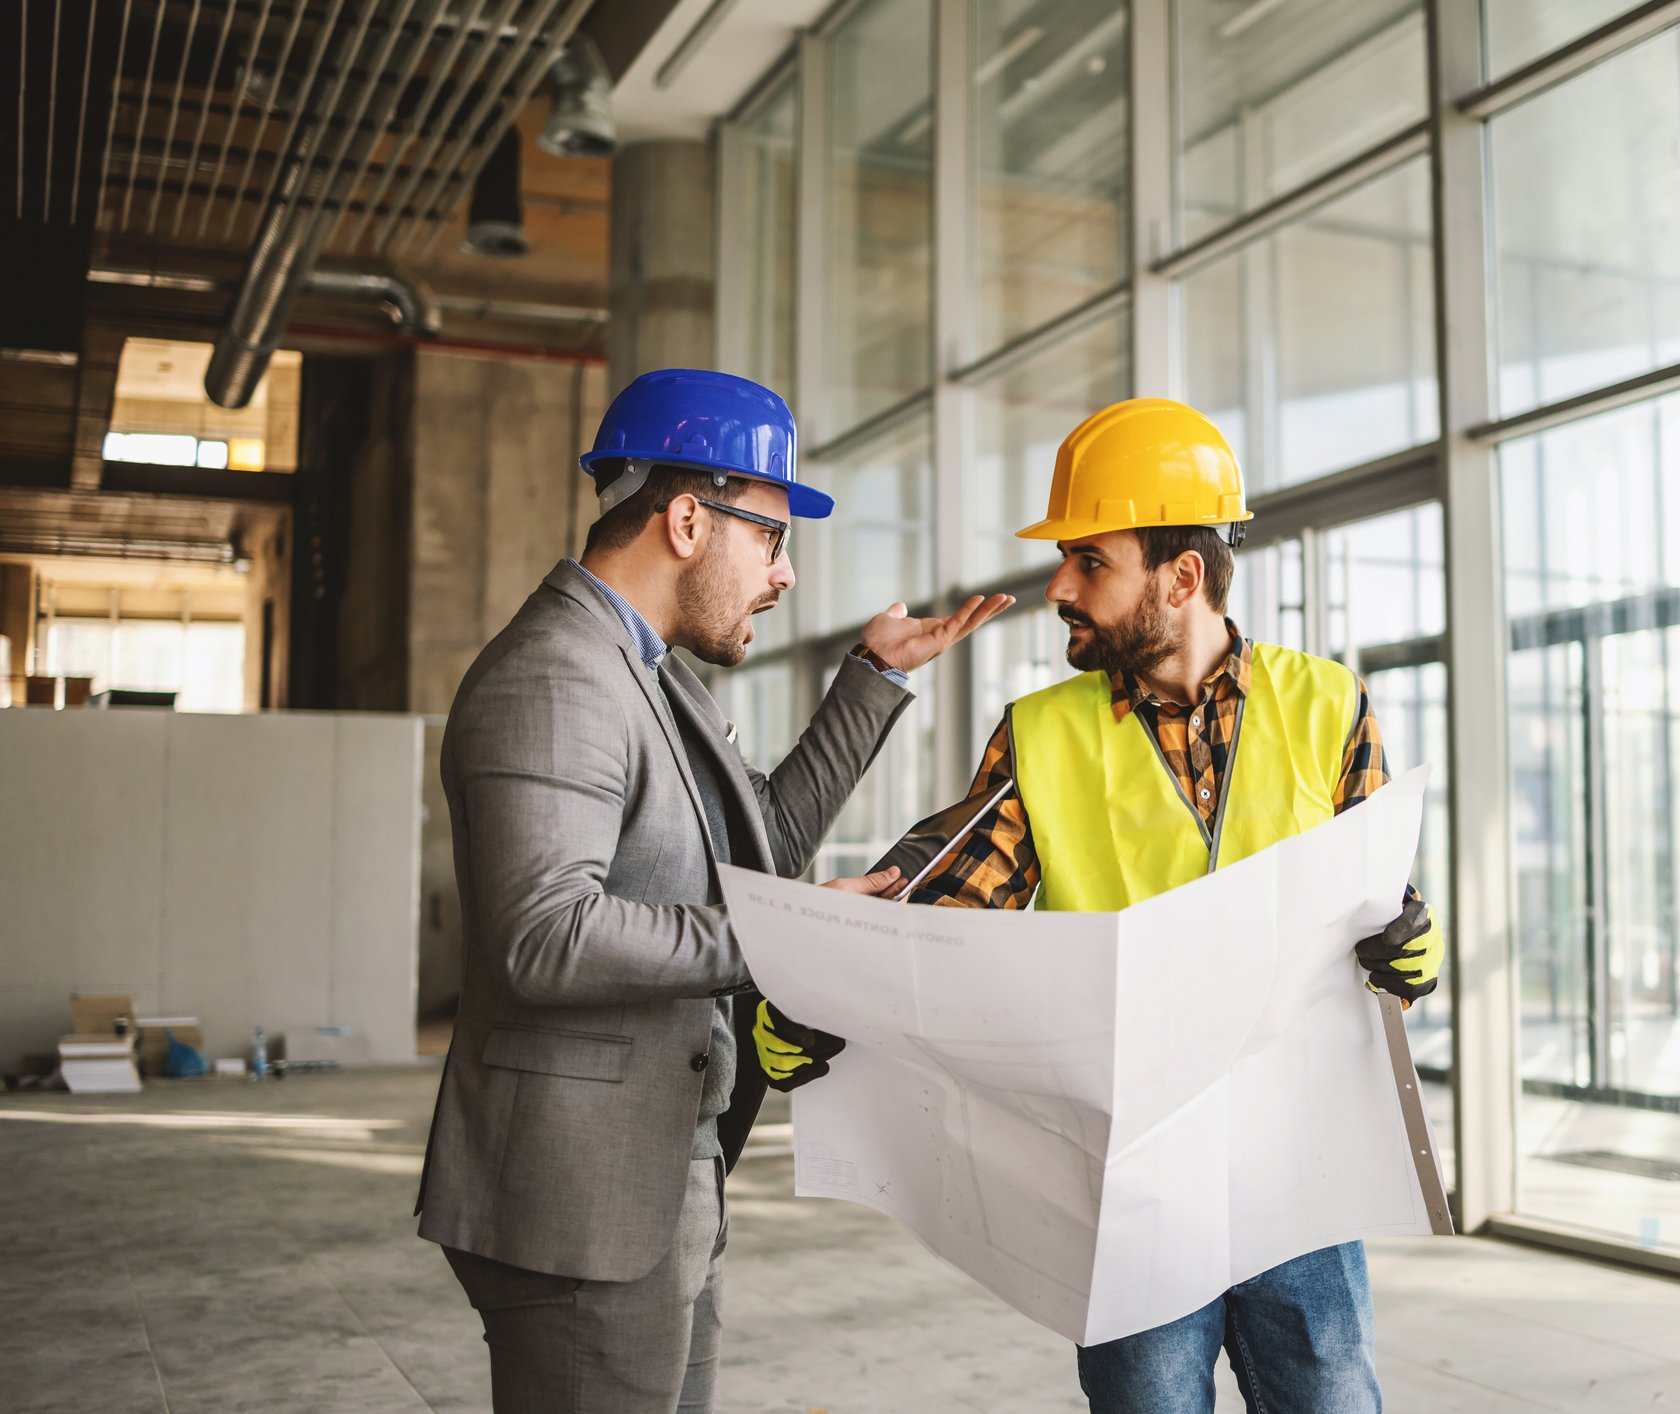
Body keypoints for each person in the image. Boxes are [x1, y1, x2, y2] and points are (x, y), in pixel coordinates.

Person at [753, 397, 1443, 1414]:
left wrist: (1412, 943)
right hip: (1134, 1189)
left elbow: (1379, 895)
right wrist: (822, 987)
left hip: (1300, 1175)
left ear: (1183, 575)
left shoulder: (1328, 703)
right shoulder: (1041, 734)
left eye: (1090, 562)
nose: (1060, 588)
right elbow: (946, 905)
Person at [416, 368, 1010, 1414]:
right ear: (689, 519)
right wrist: (793, 932)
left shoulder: (645, 674)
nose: (782, 577)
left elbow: (757, 848)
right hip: (580, 1205)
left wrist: (869, 682)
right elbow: (542, 937)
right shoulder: (556, 673)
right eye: (772, 540)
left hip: (656, 1177)